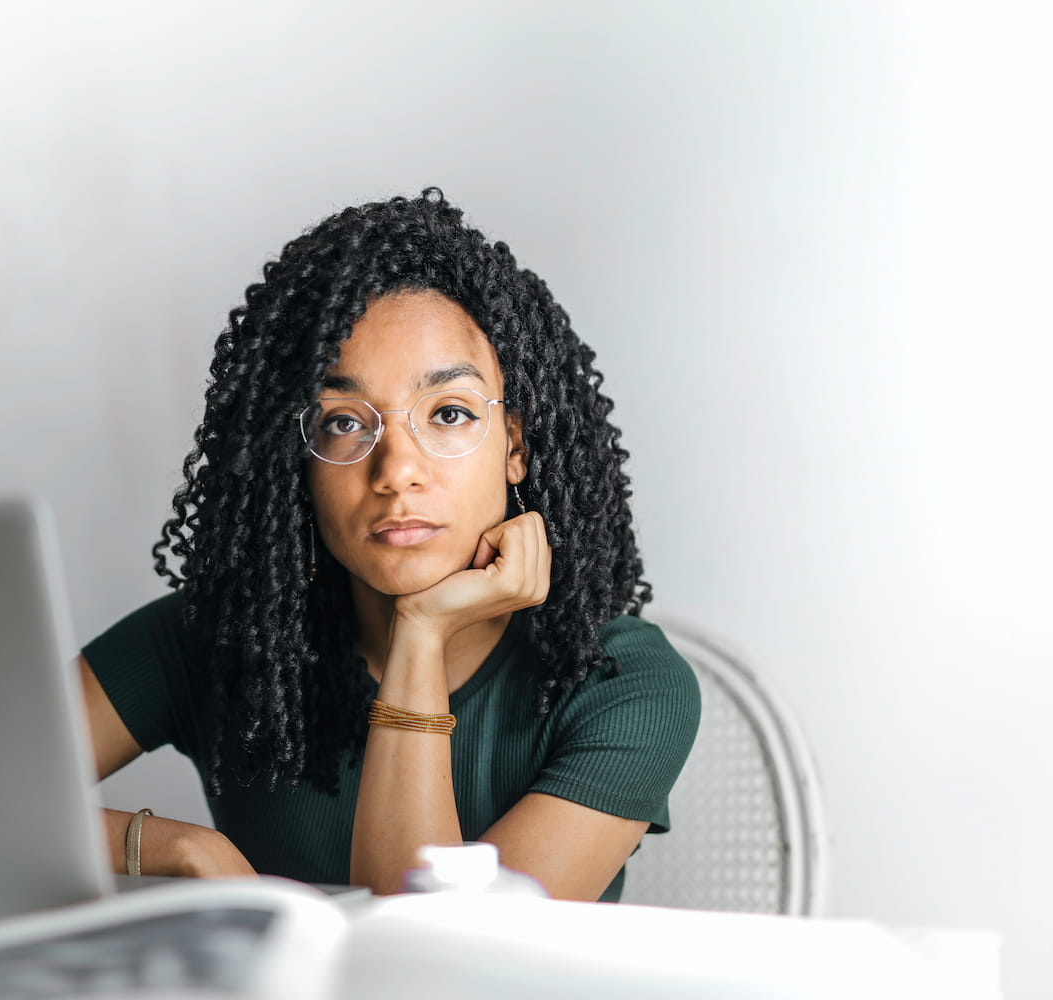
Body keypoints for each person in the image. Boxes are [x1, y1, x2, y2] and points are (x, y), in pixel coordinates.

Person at [80, 188, 701, 901]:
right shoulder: (223, 638)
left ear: (516, 446)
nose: (398, 470)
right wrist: (180, 846)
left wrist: (422, 631)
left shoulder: (622, 682)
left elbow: (434, 965)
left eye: (449, 412)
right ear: (300, 461)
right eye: (344, 422)